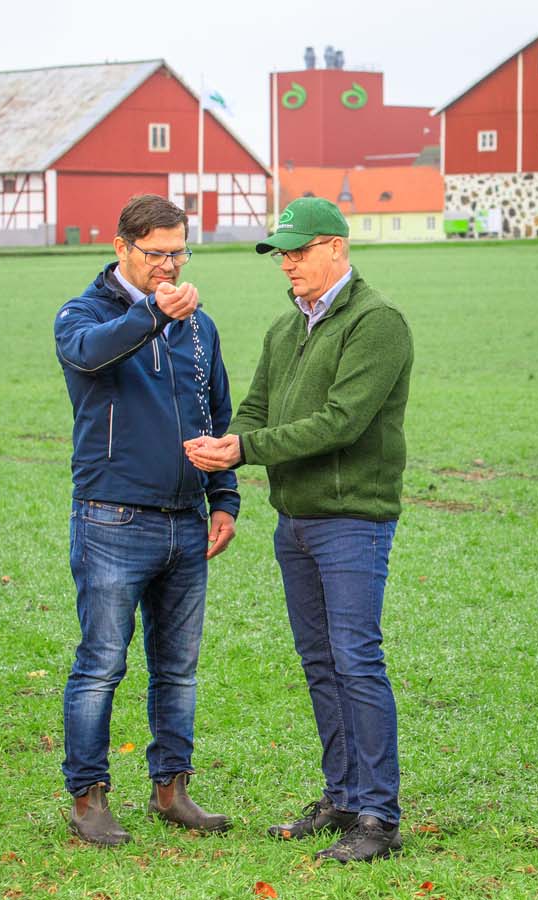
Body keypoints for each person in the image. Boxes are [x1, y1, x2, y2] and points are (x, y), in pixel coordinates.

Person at [185, 197, 414, 863]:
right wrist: (222, 442)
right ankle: (343, 796)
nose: (287, 262)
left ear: (335, 248)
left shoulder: (377, 324)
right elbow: (256, 406)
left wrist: (245, 451)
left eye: (298, 249)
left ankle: (378, 817)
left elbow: (342, 420)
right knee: (320, 662)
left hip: (352, 519)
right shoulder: (289, 330)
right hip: (298, 519)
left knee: (356, 659)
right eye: (281, 252)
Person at [54, 194, 239, 846]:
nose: (169, 264)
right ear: (121, 247)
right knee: (102, 664)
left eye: (178, 252)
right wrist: (152, 313)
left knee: (179, 668)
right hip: (112, 520)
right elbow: (88, 357)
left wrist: (225, 499)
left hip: (185, 523)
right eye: (156, 253)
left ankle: (172, 790)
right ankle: (88, 799)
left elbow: (214, 413)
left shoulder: (199, 325)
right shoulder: (82, 314)